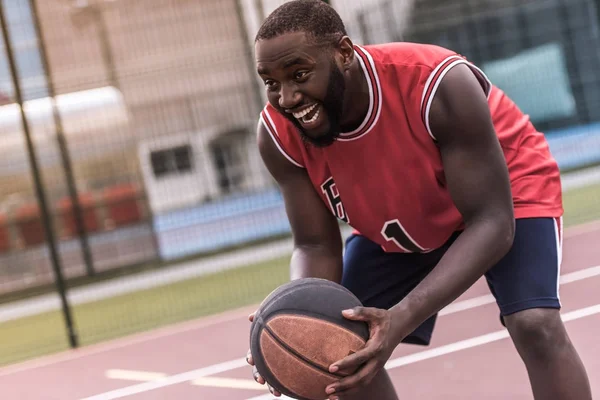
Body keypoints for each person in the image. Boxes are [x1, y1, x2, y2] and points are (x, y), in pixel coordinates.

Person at [245, 1, 592, 399]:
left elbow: (492, 224)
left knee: (534, 323)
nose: (287, 97)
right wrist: (293, 315)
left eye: (300, 75)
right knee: (337, 347)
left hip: (505, 191)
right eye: (271, 83)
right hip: (402, 215)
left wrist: (402, 318)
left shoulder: (436, 83)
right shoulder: (276, 134)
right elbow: (314, 244)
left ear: (344, 53)